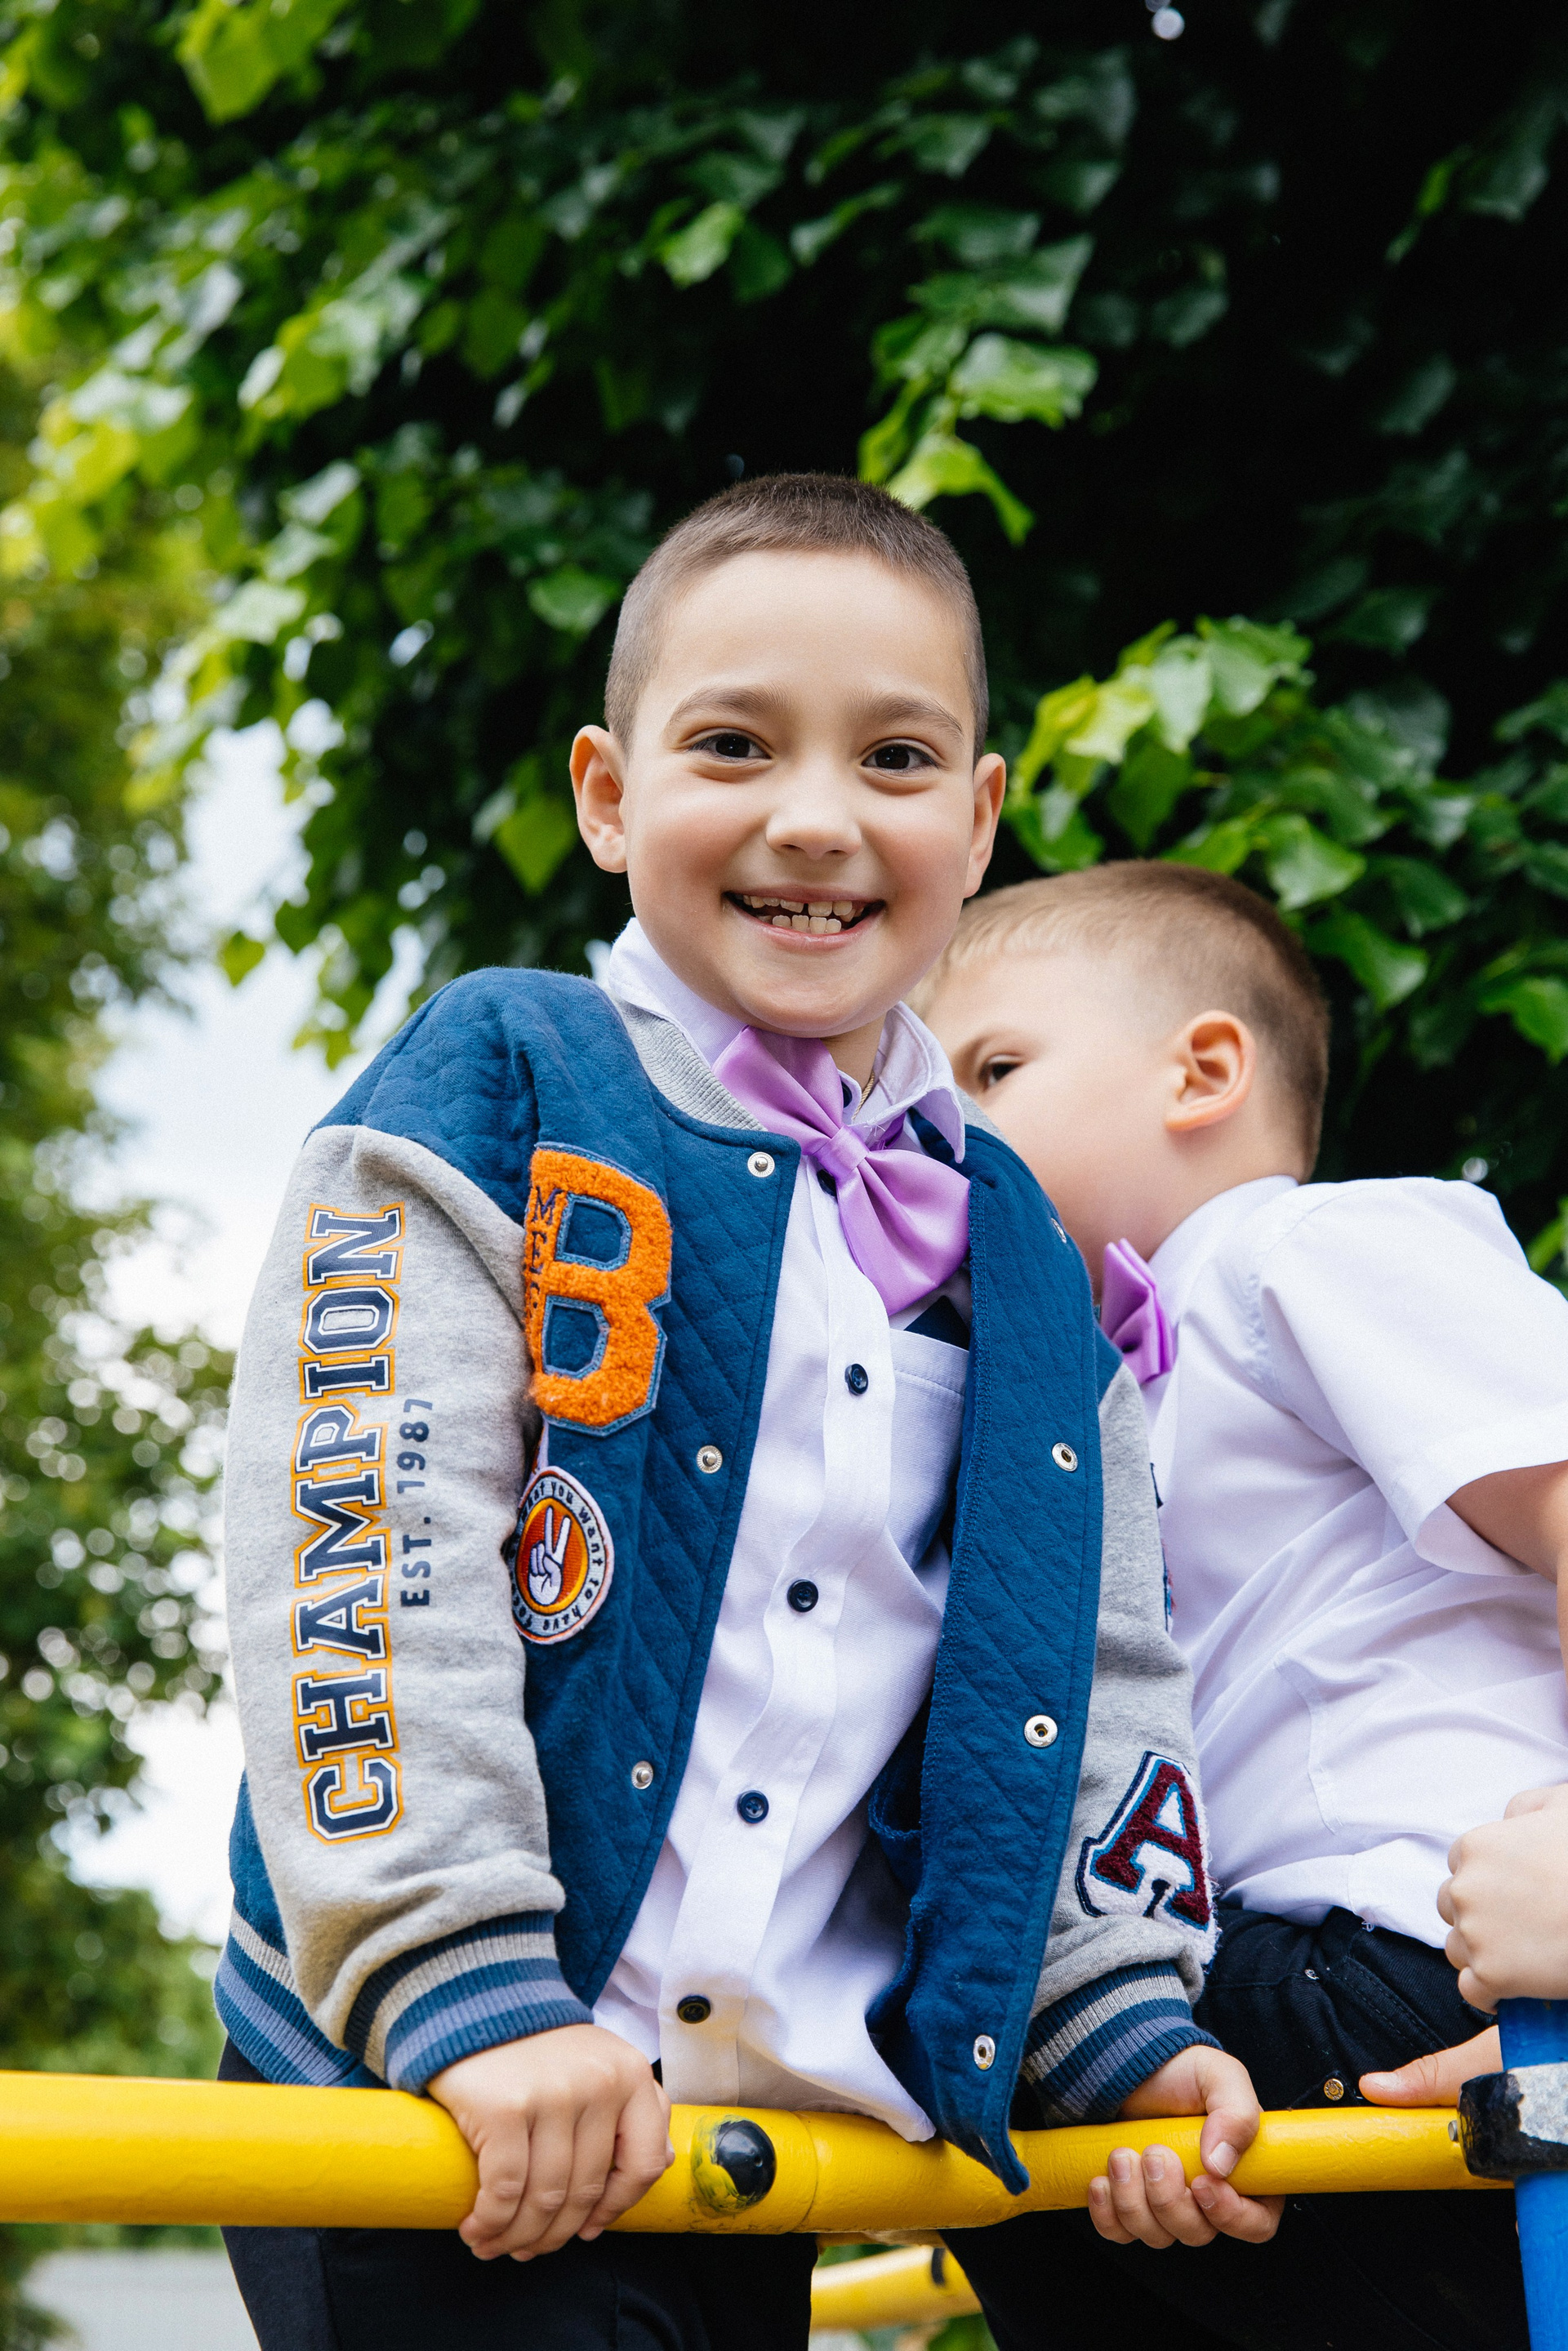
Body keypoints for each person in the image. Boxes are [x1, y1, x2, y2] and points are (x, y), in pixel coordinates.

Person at [211, 481, 1272, 2351]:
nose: (817, 816)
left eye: (895, 758)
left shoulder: (1022, 1249)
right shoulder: (505, 1079)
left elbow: (1097, 1663)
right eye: (734, 746)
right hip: (437, 2100)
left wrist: (1117, 2010)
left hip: (754, 2140)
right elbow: (360, 1530)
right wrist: (462, 1973)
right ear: (609, 796)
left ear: (979, 819)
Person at [919, 860, 1568, 2351]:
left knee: (959, 2020)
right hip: (1262, 1978)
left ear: (1203, 1071)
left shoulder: (1296, 1251)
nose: (944, 1141)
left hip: (1416, 1950)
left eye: (993, 1073)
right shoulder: (1083, 1404)